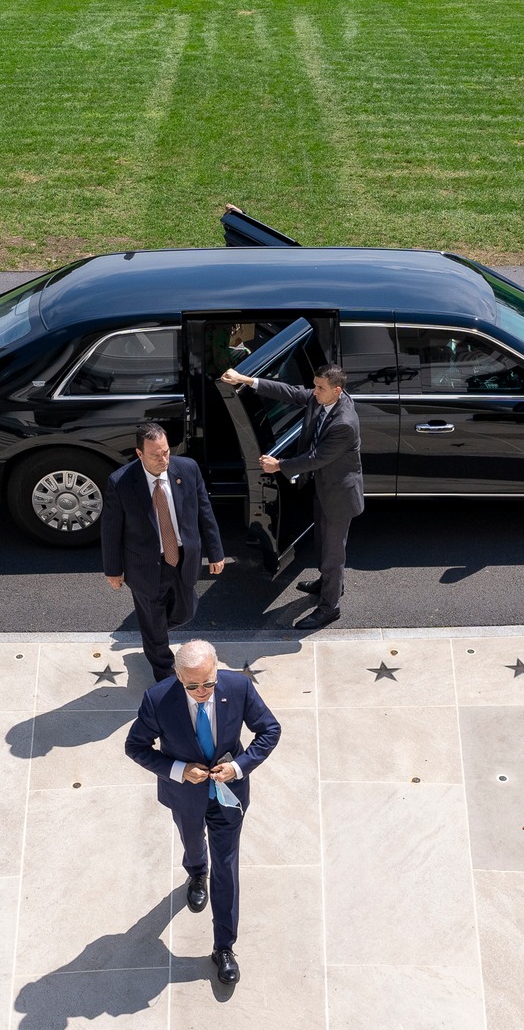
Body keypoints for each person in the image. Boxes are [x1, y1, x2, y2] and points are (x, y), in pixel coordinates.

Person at [124, 639, 280, 986]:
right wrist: (179, 769)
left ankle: (224, 947)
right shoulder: (158, 700)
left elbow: (269, 730)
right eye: (191, 685)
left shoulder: (238, 687)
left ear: (216, 669)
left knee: (227, 867)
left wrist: (239, 767)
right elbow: (135, 746)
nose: (201, 691)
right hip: (185, 797)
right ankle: (196, 873)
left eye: (208, 683)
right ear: (177, 676)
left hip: (228, 796)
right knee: (193, 843)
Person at [219, 363, 362, 629]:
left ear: (337, 390)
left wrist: (279, 465)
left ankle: (330, 607)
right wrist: (247, 380)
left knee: (333, 554)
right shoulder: (324, 398)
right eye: (315, 385)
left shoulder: (345, 424)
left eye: (320, 388)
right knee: (322, 542)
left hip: (338, 496)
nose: (314, 391)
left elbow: (316, 458)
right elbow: (289, 391)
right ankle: (329, 583)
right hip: (325, 488)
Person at [101, 424, 226, 681]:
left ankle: (152, 633)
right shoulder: (120, 483)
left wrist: (216, 552)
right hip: (144, 565)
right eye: (156, 455)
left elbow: (205, 512)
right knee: (155, 624)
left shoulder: (188, 469)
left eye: (166, 452)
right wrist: (113, 570)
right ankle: (164, 673)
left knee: (186, 611)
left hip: (182, 558)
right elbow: (111, 530)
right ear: (139, 454)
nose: (163, 460)